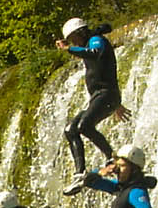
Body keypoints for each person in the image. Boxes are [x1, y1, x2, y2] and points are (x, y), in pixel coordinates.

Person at [54, 17, 127, 193]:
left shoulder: (96, 39)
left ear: (80, 33)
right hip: (99, 98)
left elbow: (94, 52)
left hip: (107, 95)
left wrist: (69, 48)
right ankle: (79, 172)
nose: (73, 42)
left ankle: (111, 157)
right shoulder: (88, 43)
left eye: (74, 39)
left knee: (84, 126)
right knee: (70, 130)